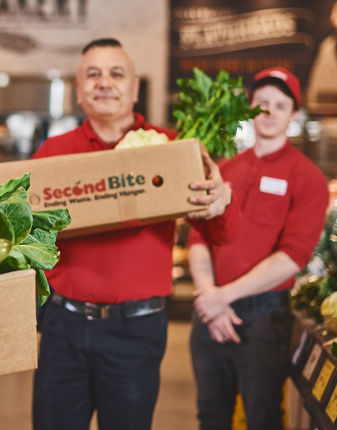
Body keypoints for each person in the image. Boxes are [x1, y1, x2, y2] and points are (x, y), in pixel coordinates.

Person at [31, 37, 240, 430]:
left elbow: (223, 233)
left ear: (135, 88)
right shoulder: (52, 155)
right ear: (78, 91)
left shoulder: (173, 149)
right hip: (64, 326)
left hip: (136, 329)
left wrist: (221, 199)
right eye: (92, 75)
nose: (104, 82)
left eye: (116, 73)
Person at [188, 67, 328, 430]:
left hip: (264, 317)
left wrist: (224, 297)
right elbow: (197, 235)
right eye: (262, 102)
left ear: (294, 114)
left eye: (280, 105)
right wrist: (210, 297)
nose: (269, 111)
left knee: (262, 417)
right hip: (209, 312)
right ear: (249, 107)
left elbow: (293, 257)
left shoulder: (308, 177)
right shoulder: (223, 168)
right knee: (210, 416)